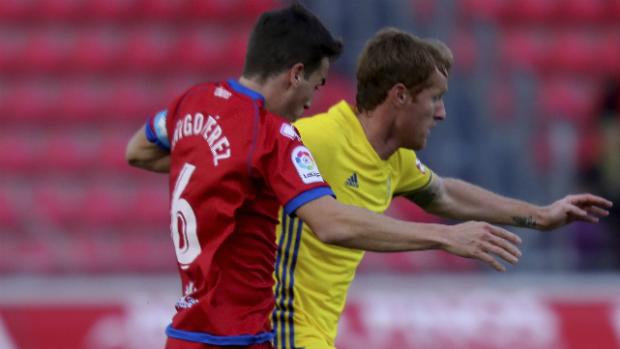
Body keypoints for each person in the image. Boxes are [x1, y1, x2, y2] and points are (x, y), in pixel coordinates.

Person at [125, 6, 524, 349]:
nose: (312, 102)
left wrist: (227, 166)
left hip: (185, 333)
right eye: (315, 85)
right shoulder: (275, 137)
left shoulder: (190, 105)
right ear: (296, 74)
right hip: (243, 337)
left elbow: (138, 150)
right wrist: (445, 236)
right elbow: (330, 222)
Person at [270, 29, 612, 349]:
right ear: (400, 96)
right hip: (279, 327)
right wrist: (444, 237)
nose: (442, 113)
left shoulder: (395, 159)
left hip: (316, 332)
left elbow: (443, 193)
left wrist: (540, 215)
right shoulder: (313, 139)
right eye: (434, 98)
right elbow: (333, 225)